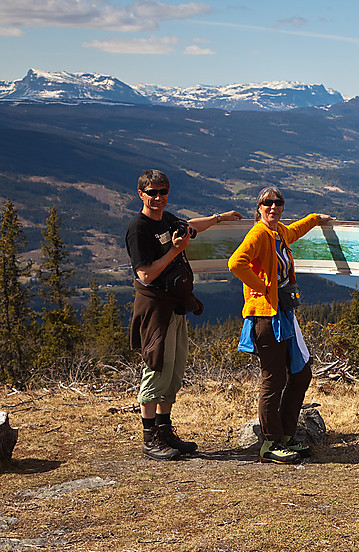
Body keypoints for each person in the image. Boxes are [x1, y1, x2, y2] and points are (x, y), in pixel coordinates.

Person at [126, 169, 243, 460]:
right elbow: (145, 273)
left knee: (174, 369)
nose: (158, 197)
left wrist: (219, 218)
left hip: (176, 305)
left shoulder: (167, 220)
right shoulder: (138, 229)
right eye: (151, 192)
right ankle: (149, 437)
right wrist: (174, 251)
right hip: (155, 308)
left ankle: (164, 430)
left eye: (162, 191)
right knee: (156, 367)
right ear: (141, 194)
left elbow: (189, 226)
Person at [228, 187, 333, 464]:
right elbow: (236, 263)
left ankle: (286, 435)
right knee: (273, 379)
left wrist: (315, 218)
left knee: (300, 375)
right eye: (267, 203)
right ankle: (270, 443)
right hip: (265, 317)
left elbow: (296, 230)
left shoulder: (279, 233)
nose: (273, 207)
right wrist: (262, 286)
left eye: (278, 203)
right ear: (259, 207)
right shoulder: (259, 233)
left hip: (283, 315)